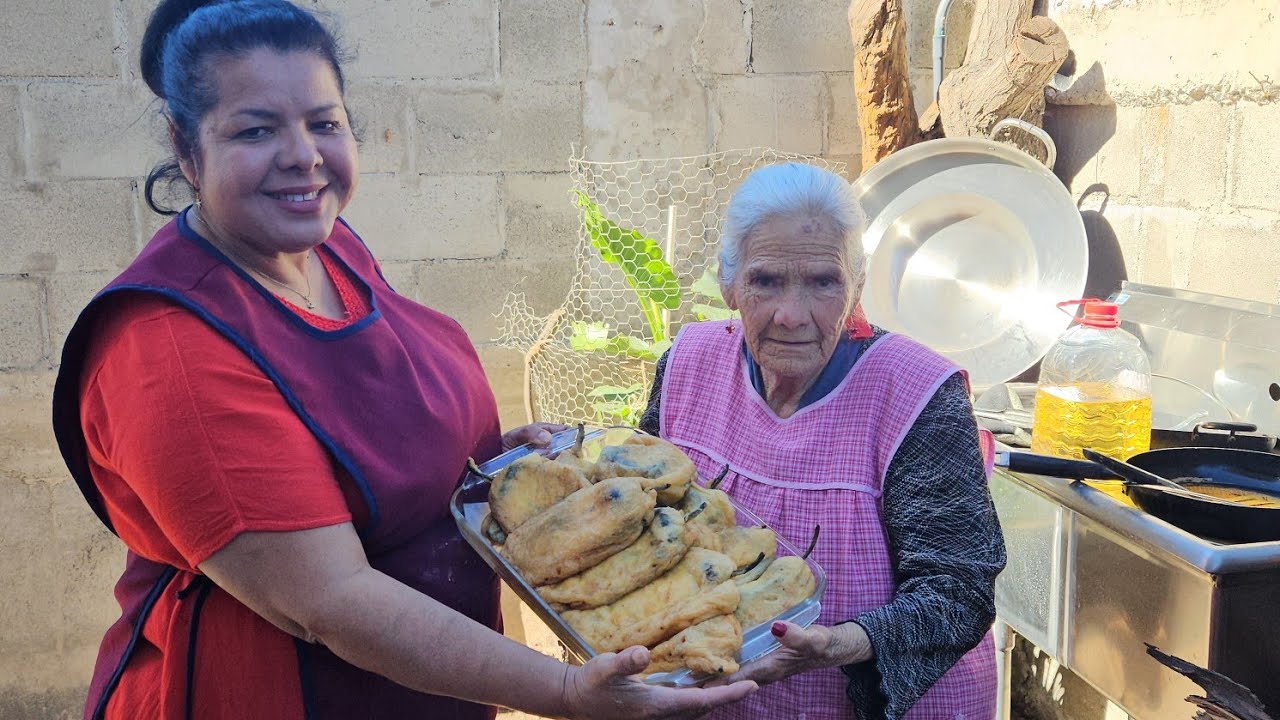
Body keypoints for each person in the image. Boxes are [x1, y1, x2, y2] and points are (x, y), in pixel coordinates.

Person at [50, 1, 755, 718]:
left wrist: (494, 468)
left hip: (428, 687)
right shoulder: (167, 346)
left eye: (323, 122)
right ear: (185, 146)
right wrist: (568, 692)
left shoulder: (325, 248)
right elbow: (329, 602)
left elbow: (360, 434)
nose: (303, 154)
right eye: (256, 130)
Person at [638, 162, 1006, 720]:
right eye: (765, 281)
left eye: (822, 282)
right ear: (729, 284)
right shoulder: (688, 364)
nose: (791, 315)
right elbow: (644, 516)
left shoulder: (914, 394)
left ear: (855, 288)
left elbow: (959, 592)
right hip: (714, 697)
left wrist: (838, 644)